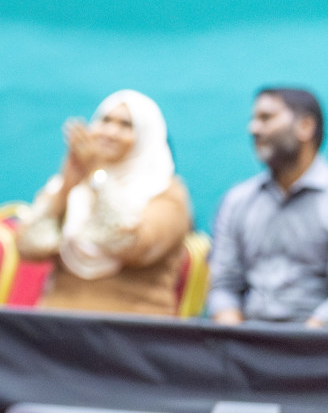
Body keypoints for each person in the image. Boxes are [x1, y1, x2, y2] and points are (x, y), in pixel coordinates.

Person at [208, 87, 328, 327]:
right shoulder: (237, 200)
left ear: (305, 127)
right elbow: (223, 286)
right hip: (250, 346)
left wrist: (293, 351)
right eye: (254, 119)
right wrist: (236, 343)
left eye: (266, 118)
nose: (254, 128)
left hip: (326, 351)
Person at [12, 90, 193, 316]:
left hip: (132, 333)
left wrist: (97, 176)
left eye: (126, 125)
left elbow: (130, 243)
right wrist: (66, 190)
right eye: (105, 120)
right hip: (57, 327)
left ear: (147, 135)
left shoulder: (167, 193)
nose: (110, 132)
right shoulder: (74, 185)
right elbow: (28, 246)